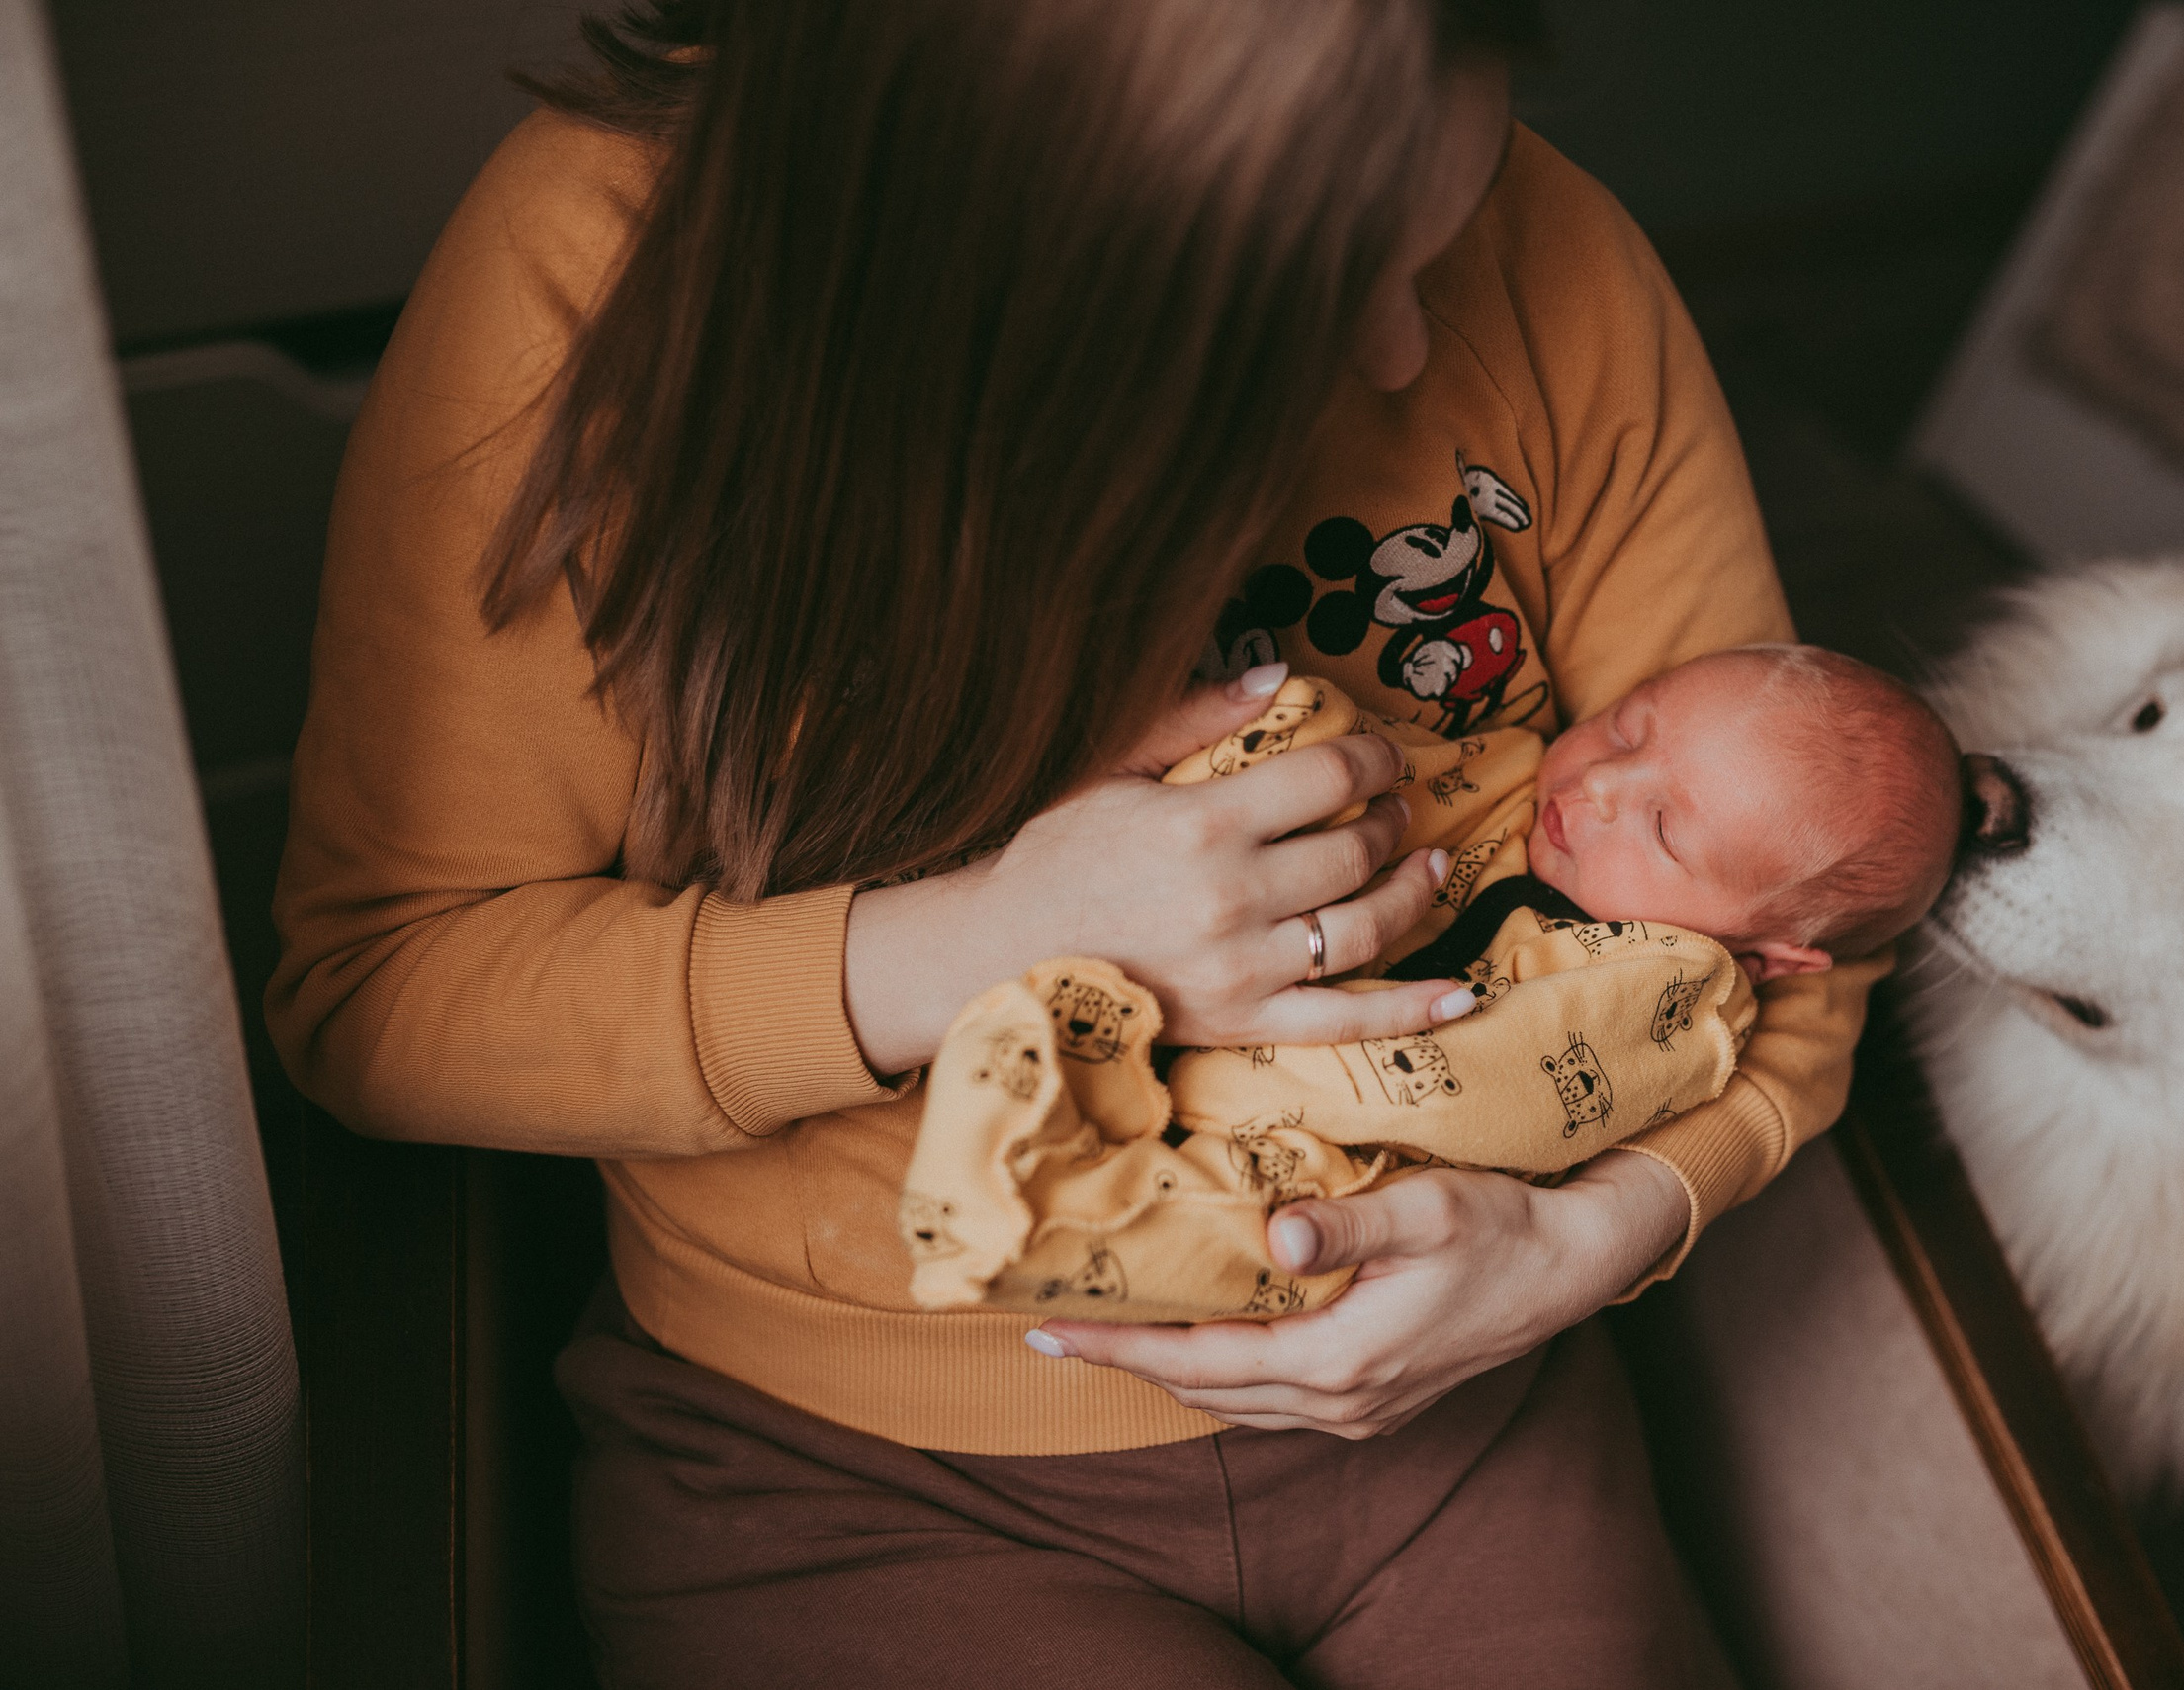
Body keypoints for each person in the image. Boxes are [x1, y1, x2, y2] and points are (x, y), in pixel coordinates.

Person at [265, 2, 1886, 1684]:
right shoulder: (595, 279)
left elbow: (1813, 887)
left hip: (1466, 1397)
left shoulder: (1544, 254)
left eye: (1443, 239)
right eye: (1335, 290)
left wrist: (1593, 1238)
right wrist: (981, 934)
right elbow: (383, 988)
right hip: (858, 1473)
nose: (1410, 354)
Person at [903, 650, 1960, 1324]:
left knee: (1269, 1249)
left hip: (1332, 1145)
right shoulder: (1520, 773)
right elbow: (1407, 778)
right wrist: (1294, 737)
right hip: (1232, 965)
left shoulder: (1686, 994)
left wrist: (1292, 1078)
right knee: (1329, 751)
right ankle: (1044, 1075)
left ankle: (1031, 1227)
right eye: (1631, 726)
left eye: (1664, 828)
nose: (1596, 786)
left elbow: (1505, 1096)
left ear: (1770, 953)